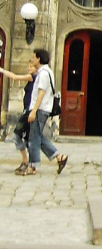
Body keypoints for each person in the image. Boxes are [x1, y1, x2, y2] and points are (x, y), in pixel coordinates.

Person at [22, 48, 68, 176]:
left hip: (40, 109)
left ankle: (32, 166)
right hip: (41, 109)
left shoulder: (43, 74)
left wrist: (34, 111)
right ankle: (59, 157)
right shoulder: (46, 71)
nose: (32, 59)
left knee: (33, 138)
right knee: (37, 136)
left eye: (33, 57)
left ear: (39, 59)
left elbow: (41, 93)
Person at [0, 62, 36, 174]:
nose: (29, 68)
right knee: (27, 138)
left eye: (31, 66)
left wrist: (2, 70)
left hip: (29, 112)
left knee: (17, 135)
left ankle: (28, 162)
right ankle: (27, 162)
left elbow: (15, 77)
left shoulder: (33, 77)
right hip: (27, 111)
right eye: (28, 66)